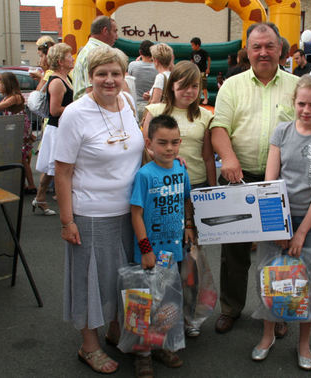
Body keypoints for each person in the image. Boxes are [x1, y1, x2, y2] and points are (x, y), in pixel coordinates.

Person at [54, 45, 143, 375]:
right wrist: (66, 220)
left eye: (115, 73)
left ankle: (114, 328)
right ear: (89, 77)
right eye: (101, 74)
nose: (109, 80)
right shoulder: (75, 114)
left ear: (124, 76)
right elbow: (62, 171)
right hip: (90, 211)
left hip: (130, 211)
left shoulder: (128, 103)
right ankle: (88, 346)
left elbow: (135, 149)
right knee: (90, 279)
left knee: (121, 276)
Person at [210, 22, 299, 335]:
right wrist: (229, 157)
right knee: (234, 253)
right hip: (240, 177)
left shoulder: (296, 86)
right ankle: (231, 308)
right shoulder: (232, 85)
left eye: (269, 46)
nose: (263, 52)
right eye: (256, 47)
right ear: (247, 51)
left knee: (278, 252)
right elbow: (219, 127)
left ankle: (277, 312)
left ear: (280, 50)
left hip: (282, 182)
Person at [251, 75, 311, 369]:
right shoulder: (281, 132)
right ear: (294, 103)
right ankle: (267, 334)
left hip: (310, 220)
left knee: (306, 282)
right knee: (269, 277)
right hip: (278, 214)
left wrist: (301, 231)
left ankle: (304, 342)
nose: (306, 109)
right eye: (301, 103)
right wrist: (279, 224)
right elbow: (270, 179)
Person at [130, 114, 193, 373]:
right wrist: (146, 250)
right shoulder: (144, 175)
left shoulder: (181, 170)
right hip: (150, 254)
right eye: (163, 143)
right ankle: (144, 353)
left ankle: (163, 345)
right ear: (149, 144)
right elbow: (135, 214)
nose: (169, 148)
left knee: (167, 300)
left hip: (174, 252)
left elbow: (187, 200)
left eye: (174, 142)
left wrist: (189, 225)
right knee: (147, 303)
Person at [143, 60, 216, 189]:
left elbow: (208, 157)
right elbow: (145, 148)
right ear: (172, 85)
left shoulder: (206, 116)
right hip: (162, 182)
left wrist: (213, 188)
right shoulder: (154, 111)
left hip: (197, 182)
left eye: (194, 86)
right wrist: (168, 158)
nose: (189, 91)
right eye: (183, 85)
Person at [33, 43, 74, 216]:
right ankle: (42, 198)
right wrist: (76, 108)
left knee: (54, 168)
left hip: (61, 129)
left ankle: (40, 198)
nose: (72, 58)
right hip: (57, 129)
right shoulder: (57, 81)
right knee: (56, 167)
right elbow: (54, 110)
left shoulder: (66, 78)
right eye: (69, 56)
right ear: (60, 61)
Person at [0, 72, 37, 194]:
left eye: (0, 83)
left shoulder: (15, 97)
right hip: (15, 129)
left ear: (8, 84)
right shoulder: (8, 96)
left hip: (20, 129)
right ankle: (22, 184)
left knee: (22, 159)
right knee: (19, 158)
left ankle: (32, 185)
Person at [72, 16, 121, 101]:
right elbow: (91, 90)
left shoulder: (87, 50)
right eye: (115, 31)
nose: (117, 37)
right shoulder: (97, 53)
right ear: (105, 31)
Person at [128, 40, 157, 119]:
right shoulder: (157, 68)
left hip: (135, 105)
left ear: (140, 52)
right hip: (151, 106)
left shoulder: (132, 65)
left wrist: (136, 62)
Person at [190, 37, 211, 105]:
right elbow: (192, 61)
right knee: (195, 84)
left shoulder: (203, 52)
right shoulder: (193, 52)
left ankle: (205, 98)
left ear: (197, 45)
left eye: (193, 45)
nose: (192, 47)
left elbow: (208, 59)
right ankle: (196, 98)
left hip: (203, 71)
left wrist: (208, 68)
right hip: (196, 71)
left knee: (204, 85)